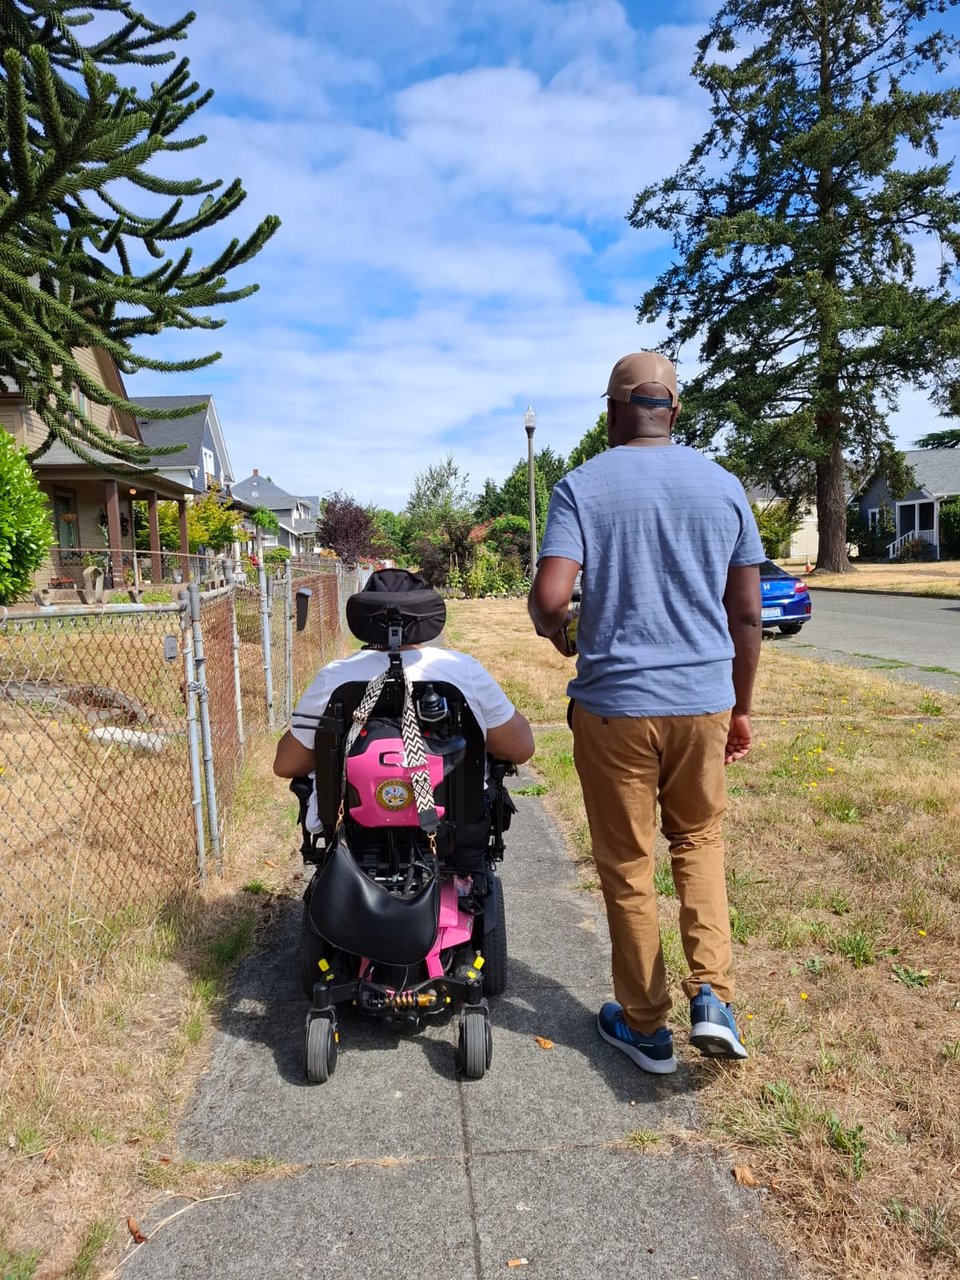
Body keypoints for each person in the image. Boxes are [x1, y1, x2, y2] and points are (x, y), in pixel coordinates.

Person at [528, 351, 764, 1074]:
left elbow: (547, 599)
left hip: (614, 710)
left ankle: (646, 1027)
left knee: (628, 865)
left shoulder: (581, 486)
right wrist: (741, 708)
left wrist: (564, 632)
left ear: (611, 413)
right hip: (703, 704)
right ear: (676, 410)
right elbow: (748, 613)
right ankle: (714, 998)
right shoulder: (724, 487)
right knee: (699, 842)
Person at [274, 578, 535, 803]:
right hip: (457, 839)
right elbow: (520, 748)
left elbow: (287, 764)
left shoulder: (335, 676)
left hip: (353, 840)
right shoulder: (462, 669)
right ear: (426, 617)